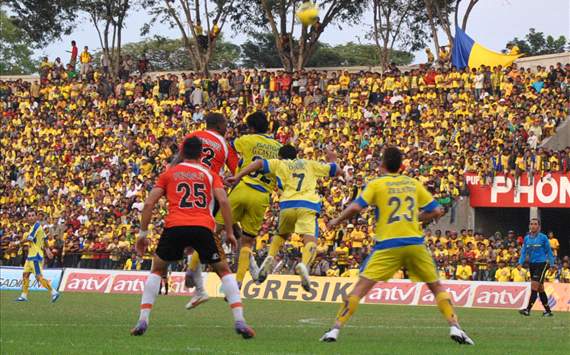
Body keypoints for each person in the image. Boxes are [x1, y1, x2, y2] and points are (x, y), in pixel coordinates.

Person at [319, 146, 473, 345]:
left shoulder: (376, 184)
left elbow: (356, 206)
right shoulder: (412, 183)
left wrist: (336, 221)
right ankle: (455, 326)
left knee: (360, 289)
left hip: (387, 245)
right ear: (401, 166)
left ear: (382, 164)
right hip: (414, 243)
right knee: (436, 286)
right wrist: (415, 218)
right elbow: (437, 210)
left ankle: (335, 329)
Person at [130, 137, 255, 338]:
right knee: (224, 270)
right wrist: (230, 232)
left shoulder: (168, 174)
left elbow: (149, 203)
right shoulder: (210, 173)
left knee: (157, 269)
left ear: (182, 152)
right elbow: (223, 200)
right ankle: (240, 320)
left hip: (175, 227)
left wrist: (143, 234)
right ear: (202, 154)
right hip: (202, 227)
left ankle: (143, 319)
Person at [227, 144, 342, 292]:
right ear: (296, 155)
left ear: (280, 156)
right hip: (308, 204)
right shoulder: (309, 164)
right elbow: (336, 171)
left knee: (281, 234)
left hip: (287, 204)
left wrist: (238, 176)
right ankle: (305, 265)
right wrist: (333, 159)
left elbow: (259, 163)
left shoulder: (279, 163)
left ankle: (271, 256)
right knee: (310, 239)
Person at [174, 112, 239, 309]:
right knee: (209, 234)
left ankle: (195, 278)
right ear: (219, 125)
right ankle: (228, 284)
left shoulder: (192, 136)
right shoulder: (225, 145)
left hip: (186, 186)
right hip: (209, 189)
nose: (227, 128)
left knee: (196, 233)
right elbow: (237, 171)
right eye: (225, 124)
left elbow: (177, 159)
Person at [214, 111, 282, 288]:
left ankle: (195, 270)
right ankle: (238, 281)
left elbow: (228, 148)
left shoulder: (247, 139)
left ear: (251, 128)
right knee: (247, 242)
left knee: (214, 230)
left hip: (242, 187)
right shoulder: (279, 147)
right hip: (262, 196)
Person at [15, 210, 60, 303]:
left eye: (32, 215)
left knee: (38, 277)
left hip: (35, 256)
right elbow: (45, 239)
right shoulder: (33, 227)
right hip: (30, 256)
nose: (31, 217)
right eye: (29, 216)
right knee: (25, 274)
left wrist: (17, 242)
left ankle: (54, 292)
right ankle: (24, 295)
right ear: (27, 218)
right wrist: (48, 250)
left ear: (35, 217)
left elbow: (29, 238)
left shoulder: (36, 226)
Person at [518, 218, 555, 317]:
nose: (533, 226)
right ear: (529, 226)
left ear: (539, 226)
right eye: (531, 224)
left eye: (535, 224)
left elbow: (549, 252)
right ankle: (548, 311)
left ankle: (527, 310)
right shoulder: (526, 238)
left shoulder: (543, 237)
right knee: (540, 288)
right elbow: (524, 252)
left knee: (534, 285)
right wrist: (520, 262)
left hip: (542, 264)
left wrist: (551, 265)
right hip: (532, 264)